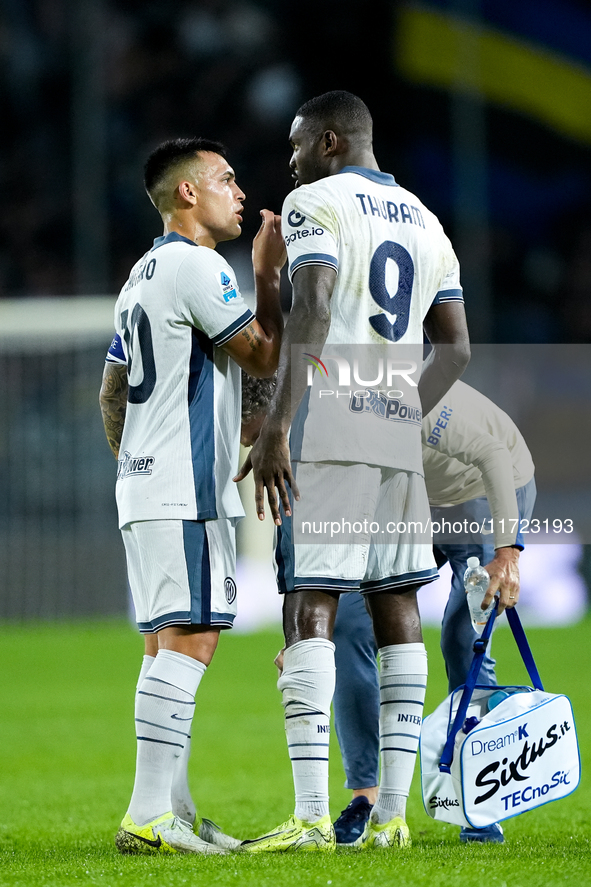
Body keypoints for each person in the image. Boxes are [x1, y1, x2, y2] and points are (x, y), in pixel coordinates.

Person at [234, 90, 470, 852]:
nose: (291, 161)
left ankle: (309, 815)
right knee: (398, 603)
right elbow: (456, 348)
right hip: (395, 431)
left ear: (330, 141)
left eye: (298, 145)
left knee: (311, 600)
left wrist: (276, 424)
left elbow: (311, 304)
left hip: (331, 424)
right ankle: (393, 816)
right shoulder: (428, 220)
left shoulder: (314, 202)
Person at [99, 137, 284, 855]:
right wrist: (268, 275)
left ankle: (170, 805)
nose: (238, 191)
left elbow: (113, 391)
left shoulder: (141, 272)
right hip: (182, 488)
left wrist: (138, 464)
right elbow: (264, 352)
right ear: (187, 193)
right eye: (225, 179)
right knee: (193, 638)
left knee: (162, 645)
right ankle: (148, 813)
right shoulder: (199, 265)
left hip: (146, 483)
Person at [331, 380, 536, 846]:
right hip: (414, 499)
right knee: (346, 623)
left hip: (484, 492)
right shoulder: (328, 407)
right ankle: (365, 797)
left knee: (463, 637)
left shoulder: (411, 400)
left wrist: (507, 553)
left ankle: (481, 796)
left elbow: (493, 456)